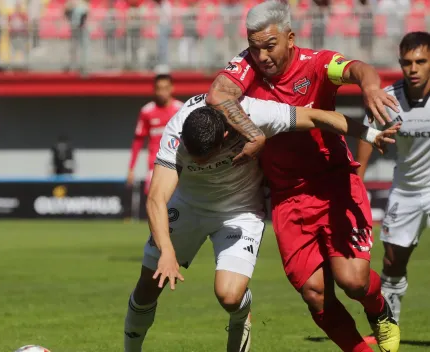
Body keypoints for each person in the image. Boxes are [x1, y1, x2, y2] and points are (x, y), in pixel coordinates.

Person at [123, 93, 399, 352]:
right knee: (148, 286)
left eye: (203, 157)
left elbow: (317, 117)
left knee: (230, 296)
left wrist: (370, 134)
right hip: (189, 206)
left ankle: (242, 314)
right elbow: (156, 199)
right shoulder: (177, 131)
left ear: (227, 135)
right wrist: (167, 253)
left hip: (239, 210)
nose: (196, 161)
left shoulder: (255, 113)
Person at [205, 1, 401, 351]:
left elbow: (357, 68)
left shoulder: (318, 63)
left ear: (290, 38)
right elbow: (218, 94)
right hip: (287, 196)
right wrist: (253, 134)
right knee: (314, 294)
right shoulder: (247, 65)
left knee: (353, 281)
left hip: (333, 183)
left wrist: (370, 87)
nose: (261, 55)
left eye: (269, 46)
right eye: (254, 47)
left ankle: (380, 310)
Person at [356, 31, 430, 331]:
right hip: (407, 190)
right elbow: (366, 134)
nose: (413, 69)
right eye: (407, 62)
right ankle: (390, 322)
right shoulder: (387, 99)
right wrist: (356, 182)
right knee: (391, 263)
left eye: (421, 61)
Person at [127, 74, 183, 194]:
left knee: (177, 203)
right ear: (154, 89)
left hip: (178, 162)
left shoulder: (181, 109)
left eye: (165, 88)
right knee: (154, 201)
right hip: (155, 164)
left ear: (172, 88)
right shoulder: (147, 111)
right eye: (159, 88)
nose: (162, 92)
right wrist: (131, 168)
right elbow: (138, 141)